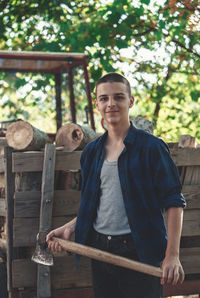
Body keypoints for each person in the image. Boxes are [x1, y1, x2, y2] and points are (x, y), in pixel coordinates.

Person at [46, 73, 186, 298]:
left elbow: (174, 202)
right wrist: (71, 226)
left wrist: (172, 255)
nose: (111, 104)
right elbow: (98, 202)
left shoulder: (152, 148)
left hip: (139, 250)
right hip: (100, 250)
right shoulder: (91, 152)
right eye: (104, 99)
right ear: (97, 104)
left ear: (130, 101)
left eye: (118, 97)